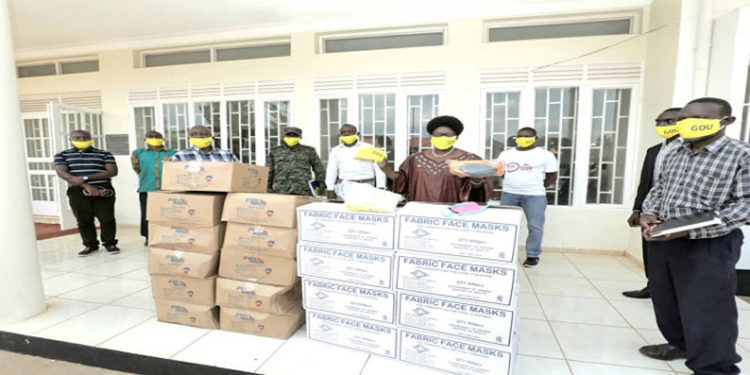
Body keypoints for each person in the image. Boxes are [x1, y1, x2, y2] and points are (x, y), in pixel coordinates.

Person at [639, 97, 749, 375]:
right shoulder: (675, 150)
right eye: (685, 118)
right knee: (666, 299)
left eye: (699, 118)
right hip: (664, 237)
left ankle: (715, 366)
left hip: (708, 243)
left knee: (708, 305)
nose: (688, 124)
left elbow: (745, 204)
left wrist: (690, 229)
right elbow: (659, 188)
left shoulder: (741, 155)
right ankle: (680, 344)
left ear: (727, 121)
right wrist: (648, 214)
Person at [622, 107, 681, 299]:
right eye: (659, 122)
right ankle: (652, 286)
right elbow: (645, 183)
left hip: (679, 212)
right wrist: (637, 209)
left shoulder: (690, 151)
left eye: (668, 121)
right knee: (651, 251)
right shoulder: (654, 151)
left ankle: (675, 290)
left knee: (677, 253)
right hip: (652, 211)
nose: (662, 126)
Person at [378, 115, 492, 203]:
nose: (442, 137)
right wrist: (385, 168)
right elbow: (401, 183)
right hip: (419, 214)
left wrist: (476, 182)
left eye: (447, 135)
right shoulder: (415, 159)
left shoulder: (470, 159)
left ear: (456, 137)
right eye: (437, 135)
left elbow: (479, 194)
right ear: (431, 137)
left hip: (452, 215)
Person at [496, 127, 558, 268]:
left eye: (527, 136)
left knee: (535, 226)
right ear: (516, 138)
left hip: (534, 195)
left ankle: (532, 255)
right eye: (520, 136)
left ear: (535, 138)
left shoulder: (545, 155)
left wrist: (538, 186)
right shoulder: (506, 154)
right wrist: (513, 181)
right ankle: (504, 253)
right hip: (509, 194)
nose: (523, 138)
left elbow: (552, 175)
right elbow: (500, 171)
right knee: (506, 225)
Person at [53, 130, 120, 256]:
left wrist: (86, 178)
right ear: (71, 140)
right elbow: (64, 174)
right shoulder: (62, 155)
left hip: (103, 189)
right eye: (78, 138)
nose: (82, 140)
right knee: (84, 220)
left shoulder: (104, 154)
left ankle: (110, 243)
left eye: (85, 137)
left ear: (91, 138)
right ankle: (90, 245)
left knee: (107, 218)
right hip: (77, 191)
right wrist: (86, 185)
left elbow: (111, 171)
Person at [131, 131, 177, 245]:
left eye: (157, 136)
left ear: (163, 139)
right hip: (147, 188)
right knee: (147, 214)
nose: (154, 138)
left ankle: (168, 236)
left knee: (168, 214)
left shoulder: (173, 153)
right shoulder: (138, 153)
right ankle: (148, 236)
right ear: (145, 139)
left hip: (168, 190)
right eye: (150, 137)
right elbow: (137, 169)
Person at [325, 124, 386, 199]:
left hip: (366, 187)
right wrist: (330, 188)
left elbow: (379, 169)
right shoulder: (335, 151)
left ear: (357, 134)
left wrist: (381, 187)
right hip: (344, 188)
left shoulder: (369, 148)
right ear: (339, 135)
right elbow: (331, 170)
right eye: (343, 132)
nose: (346, 134)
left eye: (350, 131)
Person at [267, 127, 326, 196]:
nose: (291, 137)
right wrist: (267, 187)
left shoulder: (309, 151)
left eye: (295, 136)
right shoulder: (275, 151)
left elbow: (319, 168)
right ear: (284, 137)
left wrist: (321, 184)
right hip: (280, 190)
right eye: (289, 135)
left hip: (303, 190)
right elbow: (269, 170)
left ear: (300, 137)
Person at [170, 125, 239, 162]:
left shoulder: (228, 155)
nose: (199, 137)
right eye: (194, 134)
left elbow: (239, 174)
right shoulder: (178, 157)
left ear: (212, 138)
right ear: (189, 138)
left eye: (204, 134)